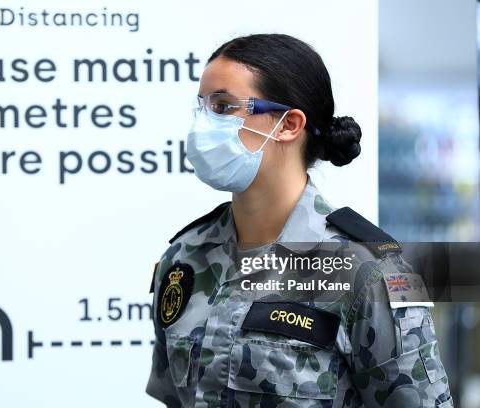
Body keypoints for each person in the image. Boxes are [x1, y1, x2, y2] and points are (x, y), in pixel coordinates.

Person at [145, 33, 452, 408]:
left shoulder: (368, 270)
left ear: (289, 124)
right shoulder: (183, 257)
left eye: (224, 107)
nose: (203, 125)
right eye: (203, 107)